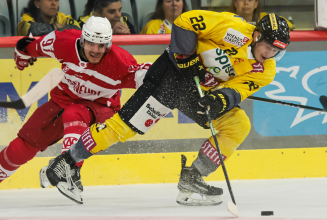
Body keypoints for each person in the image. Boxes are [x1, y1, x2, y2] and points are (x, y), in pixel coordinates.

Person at [45, 11, 290, 206]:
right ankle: (67, 161)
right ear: (257, 36)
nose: (269, 54)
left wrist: (218, 100)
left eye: (276, 51)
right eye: (268, 46)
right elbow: (185, 22)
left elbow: (236, 91)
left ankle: (192, 178)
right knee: (122, 129)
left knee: (238, 124)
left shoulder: (265, 70)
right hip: (170, 76)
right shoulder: (233, 29)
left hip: (198, 90)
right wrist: (187, 56)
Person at [0, 16, 150, 204]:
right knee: (22, 146)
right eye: (91, 44)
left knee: (75, 113)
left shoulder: (121, 62)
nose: (95, 50)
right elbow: (29, 46)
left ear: (109, 45)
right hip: (63, 100)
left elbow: (155, 78)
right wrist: (23, 54)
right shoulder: (62, 42)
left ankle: (70, 170)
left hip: (102, 110)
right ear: (82, 40)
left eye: (101, 45)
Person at [229, 0, 294, 30]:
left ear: (256, 4)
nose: (246, 3)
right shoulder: (225, 19)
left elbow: (289, 25)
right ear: (235, 2)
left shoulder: (264, 18)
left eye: (250, 0)